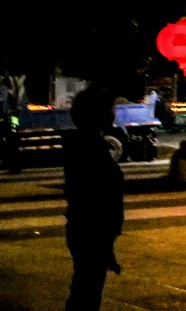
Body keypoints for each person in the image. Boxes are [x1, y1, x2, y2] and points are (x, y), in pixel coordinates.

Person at [63, 88, 124, 311]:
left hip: (90, 232)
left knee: (85, 289)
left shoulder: (86, 145)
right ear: (99, 114)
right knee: (86, 294)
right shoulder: (90, 150)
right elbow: (95, 198)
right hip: (92, 232)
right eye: (111, 109)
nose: (114, 113)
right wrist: (104, 242)